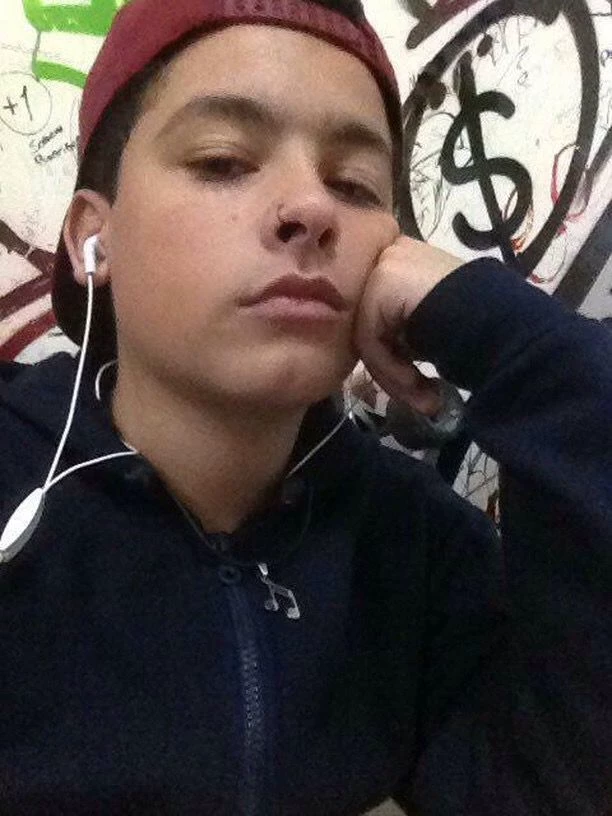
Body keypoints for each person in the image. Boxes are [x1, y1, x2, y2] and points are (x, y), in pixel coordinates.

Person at [0, 0, 610, 813]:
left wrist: (519, 347)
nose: (312, 209)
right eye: (223, 161)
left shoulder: (413, 548)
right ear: (92, 238)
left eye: (354, 184)